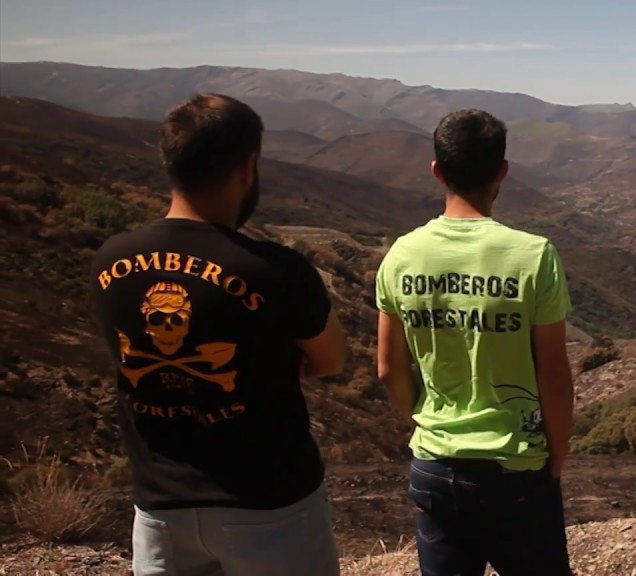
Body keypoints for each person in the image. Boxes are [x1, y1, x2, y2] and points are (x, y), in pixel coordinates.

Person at [90, 93, 348, 576]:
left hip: (160, 509)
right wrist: (266, 366)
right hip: (271, 504)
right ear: (248, 167)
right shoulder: (275, 270)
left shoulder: (110, 260)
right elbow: (332, 359)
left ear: (169, 162)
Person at [375, 109, 575, 576]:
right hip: (515, 467)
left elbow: (388, 369)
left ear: (437, 170)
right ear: (502, 171)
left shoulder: (401, 254)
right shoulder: (534, 256)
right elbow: (553, 375)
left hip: (435, 465)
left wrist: (429, 425)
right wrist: (557, 452)